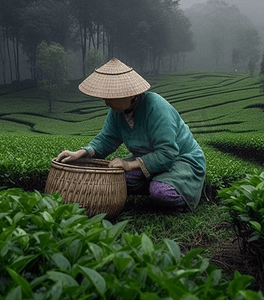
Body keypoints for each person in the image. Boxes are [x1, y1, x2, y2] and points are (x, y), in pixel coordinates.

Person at [56, 58, 206, 212]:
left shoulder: (157, 108)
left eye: (111, 97)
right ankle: (156, 181)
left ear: (130, 94)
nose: (106, 102)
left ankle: (182, 189)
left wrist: (128, 165)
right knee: (112, 179)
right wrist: (81, 153)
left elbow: (168, 153)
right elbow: (107, 139)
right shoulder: (117, 112)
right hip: (148, 160)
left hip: (181, 160)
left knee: (161, 193)